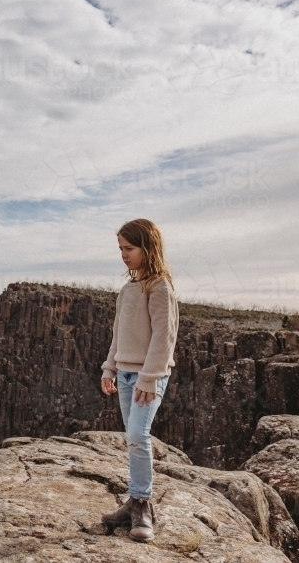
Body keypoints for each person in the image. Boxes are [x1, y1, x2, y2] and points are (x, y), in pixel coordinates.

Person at [99, 218, 179, 543]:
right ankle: (133, 501)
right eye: (120, 248)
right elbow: (118, 333)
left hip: (149, 377)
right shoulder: (128, 289)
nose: (123, 254)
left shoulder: (160, 288)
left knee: (137, 435)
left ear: (147, 248)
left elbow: (165, 336)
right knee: (132, 441)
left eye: (128, 248)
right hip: (126, 374)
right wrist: (109, 368)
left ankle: (142, 507)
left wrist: (148, 378)